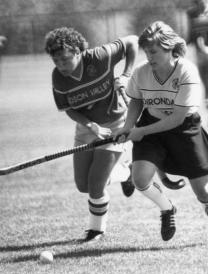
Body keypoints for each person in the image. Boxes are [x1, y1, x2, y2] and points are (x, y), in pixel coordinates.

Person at [44, 27, 180, 241]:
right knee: (83, 185)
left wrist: (126, 75)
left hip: (116, 124)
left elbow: (132, 41)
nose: (61, 66)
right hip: (87, 128)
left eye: (65, 59)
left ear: (78, 52)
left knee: (96, 184)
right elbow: (69, 108)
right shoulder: (58, 78)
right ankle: (126, 172)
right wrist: (90, 125)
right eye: (56, 61)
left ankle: (96, 229)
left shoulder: (99, 57)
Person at [114, 21, 208, 244]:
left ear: (169, 48)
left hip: (184, 130)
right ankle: (167, 208)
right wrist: (128, 127)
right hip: (151, 127)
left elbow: (178, 118)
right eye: (147, 52)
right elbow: (137, 101)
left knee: (203, 191)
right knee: (139, 179)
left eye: (154, 52)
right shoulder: (141, 72)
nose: (149, 57)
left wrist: (140, 131)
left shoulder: (187, 71)